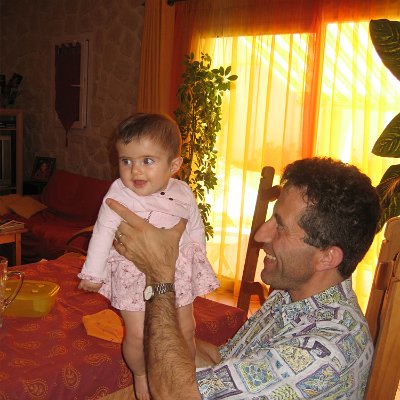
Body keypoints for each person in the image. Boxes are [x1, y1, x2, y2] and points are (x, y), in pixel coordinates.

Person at [108, 156, 381, 399]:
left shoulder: (324, 351)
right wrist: (148, 326)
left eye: (280, 227)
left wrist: (159, 278)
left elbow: (176, 395)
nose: (260, 235)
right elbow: (222, 362)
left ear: (327, 257)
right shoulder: (290, 297)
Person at [77, 113, 219, 400]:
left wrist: (198, 261)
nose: (135, 171)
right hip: (132, 273)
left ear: (174, 165)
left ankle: (185, 375)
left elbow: (195, 227)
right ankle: (141, 373)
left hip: (177, 271)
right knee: (139, 334)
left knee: (186, 327)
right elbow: (102, 232)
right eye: (126, 161)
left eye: (147, 161)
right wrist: (93, 273)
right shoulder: (118, 193)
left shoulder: (183, 192)